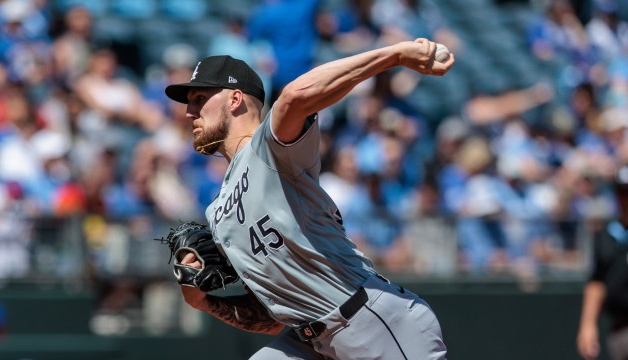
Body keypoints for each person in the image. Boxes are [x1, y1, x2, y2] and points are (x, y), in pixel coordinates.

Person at [164, 38, 453, 359]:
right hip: (309, 338)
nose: (189, 112)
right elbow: (269, 320)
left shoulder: (267, 150)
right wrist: (203, 301)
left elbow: (294, 97)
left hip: (369, 321)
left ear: (234, 99)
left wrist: (395, 55)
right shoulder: (216, 212)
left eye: (200, 99)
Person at [577, 164, 628, 360]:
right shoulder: (607, 234)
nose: (626, 199)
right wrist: (588, 326)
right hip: (619, 328)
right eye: (622, 192)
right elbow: (596, 282)